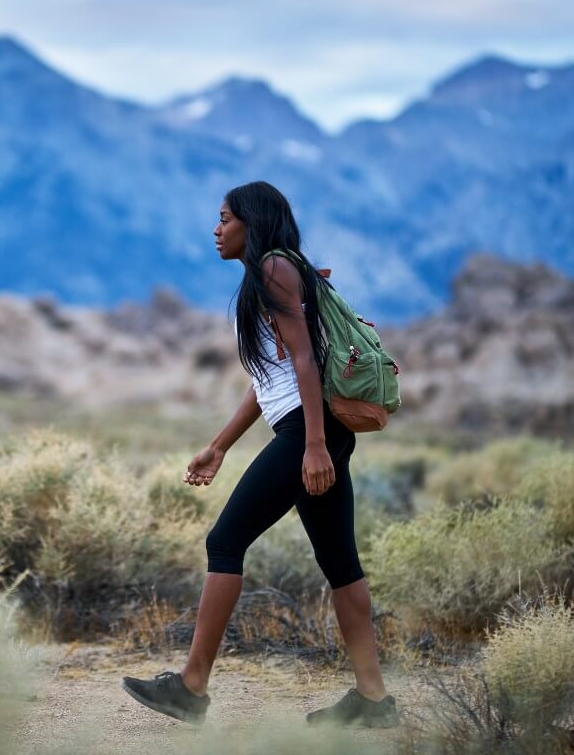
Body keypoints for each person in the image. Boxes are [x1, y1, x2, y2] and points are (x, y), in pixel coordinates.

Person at [121, 180, 399, 728]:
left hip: (307, 431)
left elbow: (304, 364)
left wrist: (315, 446)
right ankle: (373, 702)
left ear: (251, 221)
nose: (216, 229)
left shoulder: (274, 268)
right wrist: (219, 446)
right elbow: (267, 382)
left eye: (224, 218)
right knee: (340, 564)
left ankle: (191, 687)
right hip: (308, 429)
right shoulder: (272, 275)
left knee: (225, 541)